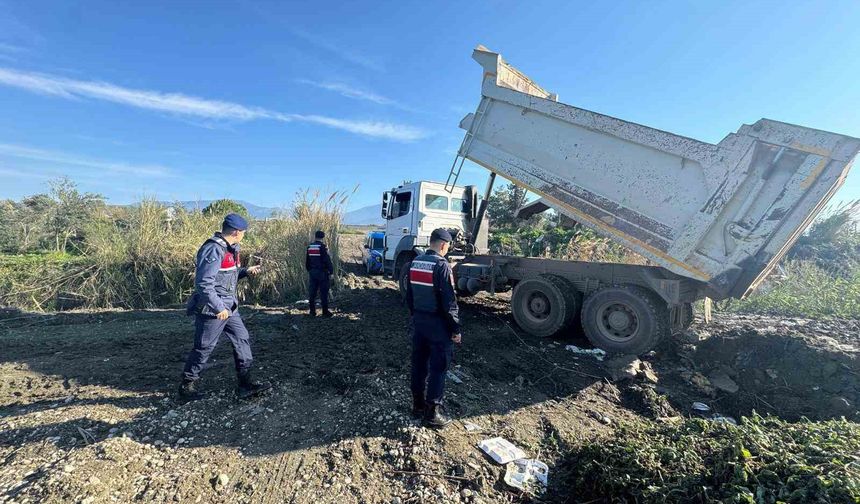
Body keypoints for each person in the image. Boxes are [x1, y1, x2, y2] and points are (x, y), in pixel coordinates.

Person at [179, 213, 272, 402]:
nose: (244, 235)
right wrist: (218, 307)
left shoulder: (232, 249)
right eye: (243, 232)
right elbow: (204, 283)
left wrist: (245, 271)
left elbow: (228, 275)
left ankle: (245, 384)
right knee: (204, 346)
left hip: (230, 307)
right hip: (214, 309)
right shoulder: (213, 249)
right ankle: (187, 386)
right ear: (237, 232)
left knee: (242, 339)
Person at [405, 228, 462, 428]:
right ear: (443, 245)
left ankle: (417, 406)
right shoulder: (441, 266)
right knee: (438, 367)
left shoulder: (415, 262)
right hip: (437, 325)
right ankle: (432, 413)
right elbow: (449, 302)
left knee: (419, 364)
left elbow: (409, 295)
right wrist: (455, 329)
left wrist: (415, 316)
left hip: (419, 322)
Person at [306, 230, 334, 317]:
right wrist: (331, 271)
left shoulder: (310, 247)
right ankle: (325, 312)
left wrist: (310, 270)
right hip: (322, 273)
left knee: (312, 293)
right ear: (323, 237)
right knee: (323, 293)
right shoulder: (323, 247)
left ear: (315, 236)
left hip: (313, 272)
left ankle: (312, 312)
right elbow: (327, 260)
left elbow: (307, 261)